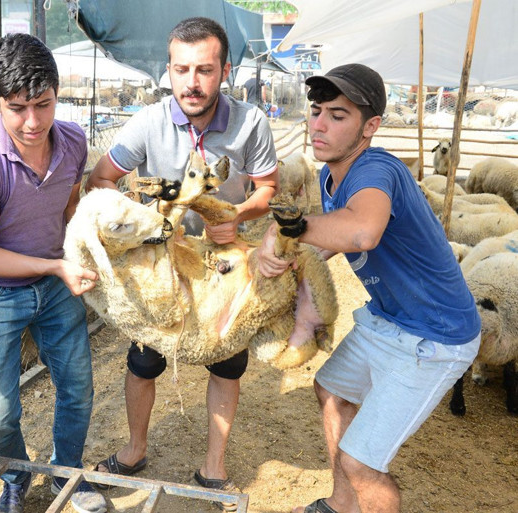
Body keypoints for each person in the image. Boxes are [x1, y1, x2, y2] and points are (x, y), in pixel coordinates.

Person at [257, 63, 481, 513]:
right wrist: (299, 259)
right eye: (316, 110)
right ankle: (342, 506)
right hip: (387, 318)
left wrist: (290, 229)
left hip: (432, 335)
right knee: (333, 392)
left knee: (362, 464)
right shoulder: (329, 174)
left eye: (338, 116)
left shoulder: (376, 168)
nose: (318, 124)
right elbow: (338, 235)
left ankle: (357, 492)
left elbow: (362, 233)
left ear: (370, 126)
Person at [87, 17, 279, 512]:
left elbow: (268, 187)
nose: (192, 82)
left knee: (227, 362)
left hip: (223, 266)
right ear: (168, 71)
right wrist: (139, 217)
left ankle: (213, 468)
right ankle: (134, 450)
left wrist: (236, 213)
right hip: (163, 267)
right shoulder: (149, 122)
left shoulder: (250, 123)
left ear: (225, 71)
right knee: (144, 359)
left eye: (204, 70)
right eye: (181, 70)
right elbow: (102, 177)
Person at [0, 33, 107, 513]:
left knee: (78, 387)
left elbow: (69, 204)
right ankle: (16, 477)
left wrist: (78, 248)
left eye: (44, 104)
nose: (33, 121)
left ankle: (67, 473)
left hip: (54, 281)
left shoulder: (74, 141)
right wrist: (56, 264)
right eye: (18, 108)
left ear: (58, 93)